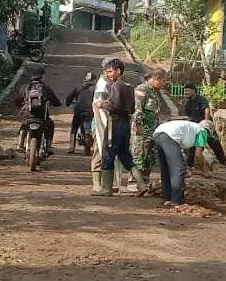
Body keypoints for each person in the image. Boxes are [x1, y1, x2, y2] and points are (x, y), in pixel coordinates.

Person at [92, 58, 138, 196]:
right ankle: (141, 184)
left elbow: (114, 106)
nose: (108, 74)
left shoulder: (114, 86)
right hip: (125, 124)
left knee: (107, 155)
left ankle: (106, 188)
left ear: (118, 71)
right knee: (125, 156)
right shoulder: (129, 87)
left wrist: (102, 105)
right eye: (107, 71)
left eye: (110, 71)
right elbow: (131, 108)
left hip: (114, 124)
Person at [151, 118, 209, 206]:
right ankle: (177, 201)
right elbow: (198, 154)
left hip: (158, 133)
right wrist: (205, 171)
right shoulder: (202, 131)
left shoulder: (190, 129)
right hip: (170, 135)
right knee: (178, 169)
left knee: (166, 169)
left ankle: (168, 198)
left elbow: (181, 153)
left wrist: (187, 166)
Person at [130, 68, 168, 195]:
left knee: (148, 158)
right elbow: (138, 109)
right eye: (163, 81)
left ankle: (145, 183)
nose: (164, 84)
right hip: (141, 131)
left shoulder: (155, 92)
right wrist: (138, 125)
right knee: (138, 156)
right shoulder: (142, 89)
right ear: (157, 78)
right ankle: (134, 183)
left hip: (152, 131)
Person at [13, 66, 61, 153]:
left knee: (23, 125)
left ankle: (20, 144)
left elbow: (17, 101)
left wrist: (21, 106)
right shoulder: (45, 88)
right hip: (42, 116)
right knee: (50, 125)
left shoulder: (25, 87)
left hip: (28, 116)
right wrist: (57, 104)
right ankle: (49, 146)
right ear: (42, 76)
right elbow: (55, 101)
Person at [65, 71, 97, 154]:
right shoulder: (96, 89)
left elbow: (69, 98)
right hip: (91, 111)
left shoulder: (79, 87)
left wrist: (68, 103)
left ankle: (71, 147)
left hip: (79, 111)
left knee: (74, 127)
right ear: (94, 80)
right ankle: (93, 143)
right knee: (92, 127)